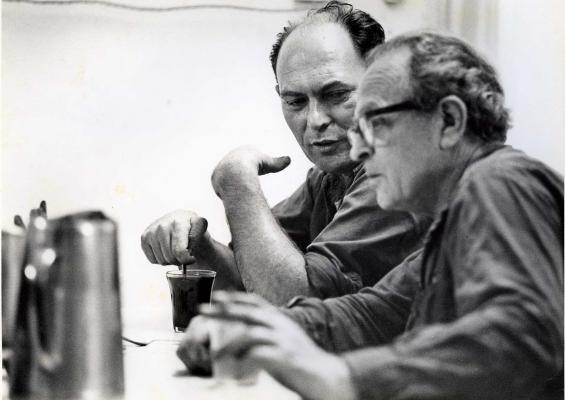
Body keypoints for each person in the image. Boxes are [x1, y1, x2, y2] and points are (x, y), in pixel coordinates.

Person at [177, 32, 564, 400]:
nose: (359, 150)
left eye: (374, 123)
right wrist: (267, 326)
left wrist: (346, 378)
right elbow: (376, 313)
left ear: (448, 121)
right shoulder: (451, 225)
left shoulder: (499, 180)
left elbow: (525, 331)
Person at [141, 1, 430, 305]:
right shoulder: (328, 180)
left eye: (336, 94)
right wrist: (199, 244)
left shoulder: (396, 169)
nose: (315, 120)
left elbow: (294, 302)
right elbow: (252, 279)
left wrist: (237, 181)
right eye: (295, 102)